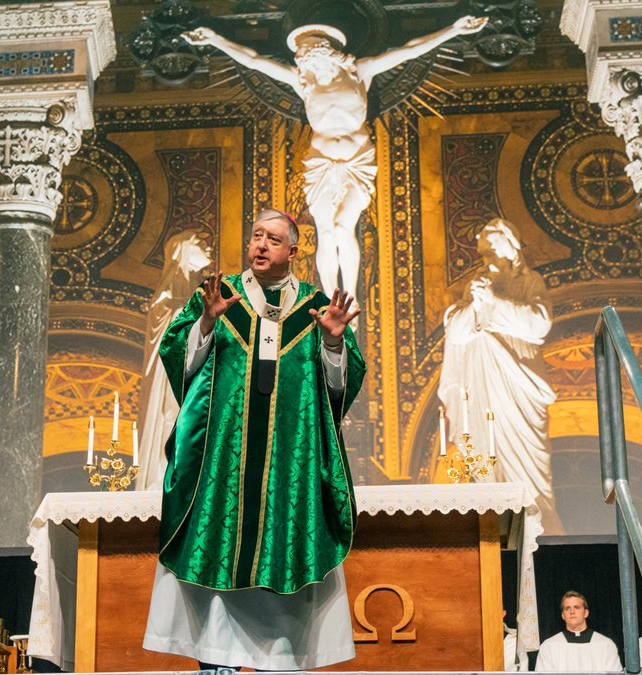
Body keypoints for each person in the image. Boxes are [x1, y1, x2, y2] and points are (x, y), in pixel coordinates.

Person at [142, 208, 366, 670]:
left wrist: (333, 344)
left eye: (273, 239)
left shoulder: (316, 306)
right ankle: (215, 660)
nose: (260, 245)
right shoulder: (218, 297)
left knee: (279, 568)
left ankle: (275, 660)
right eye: (256, 236)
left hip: (289, 467)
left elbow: (338, 391)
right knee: (219, 553)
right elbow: (179, 362)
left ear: (293, 250)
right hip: (223, 464)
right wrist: (205, 325)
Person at [183, 17, 486, 302]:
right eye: (301, 56)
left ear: (323, 51)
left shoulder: (360, 72)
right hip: (322, 162)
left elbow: (408, 51)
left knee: (344, 227)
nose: (301, 59)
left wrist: (454, 30)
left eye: (304, 53)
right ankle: (331, 300)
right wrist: (214, 40)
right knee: (326, 230)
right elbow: (253, 61)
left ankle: (349, 296)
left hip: (357, 160)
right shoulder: (303, 82)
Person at [436, 217, 559, 532]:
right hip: (482, 386)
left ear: (511, 246)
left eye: (492, 248)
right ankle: (492, 517)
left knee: (529, 469)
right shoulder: (475, 287)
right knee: (483, 455)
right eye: (484, 252)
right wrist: (475, 308)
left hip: (519, 385)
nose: (487, 257)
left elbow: (539, 324)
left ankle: (537, 518)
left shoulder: (529, 282)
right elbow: (458, 333)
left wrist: (494, 301)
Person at [135, 230, 213, 490]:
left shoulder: (199, 294)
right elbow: (168, 335)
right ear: (184, 251)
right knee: (172, 420)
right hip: (168, 377)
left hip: (198, 375)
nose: (209, 248)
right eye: (201, 244)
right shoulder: (165, 299)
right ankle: (162, 475)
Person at [535, 591, 623, 672]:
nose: (572, 611)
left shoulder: (606, 645)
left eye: (576, 607)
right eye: (567, 608)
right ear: (563, 615)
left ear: (586, 613)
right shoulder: (549, 646)